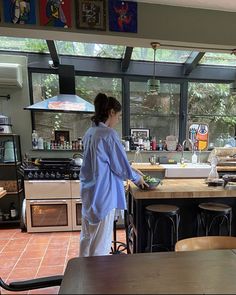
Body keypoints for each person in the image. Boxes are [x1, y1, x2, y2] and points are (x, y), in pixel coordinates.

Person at [79, 93, 147, 257]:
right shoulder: (108, 134)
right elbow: (120, 167)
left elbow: (106, 163)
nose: (118, 119)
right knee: (100, 246)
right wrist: (138, 179)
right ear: (111, 112)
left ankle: (83, 277)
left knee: (87, 239)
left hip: (89, 195)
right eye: (118, 115)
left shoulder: (90, 132)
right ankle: (97, 281)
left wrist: (131, 169)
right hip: (103, 196)